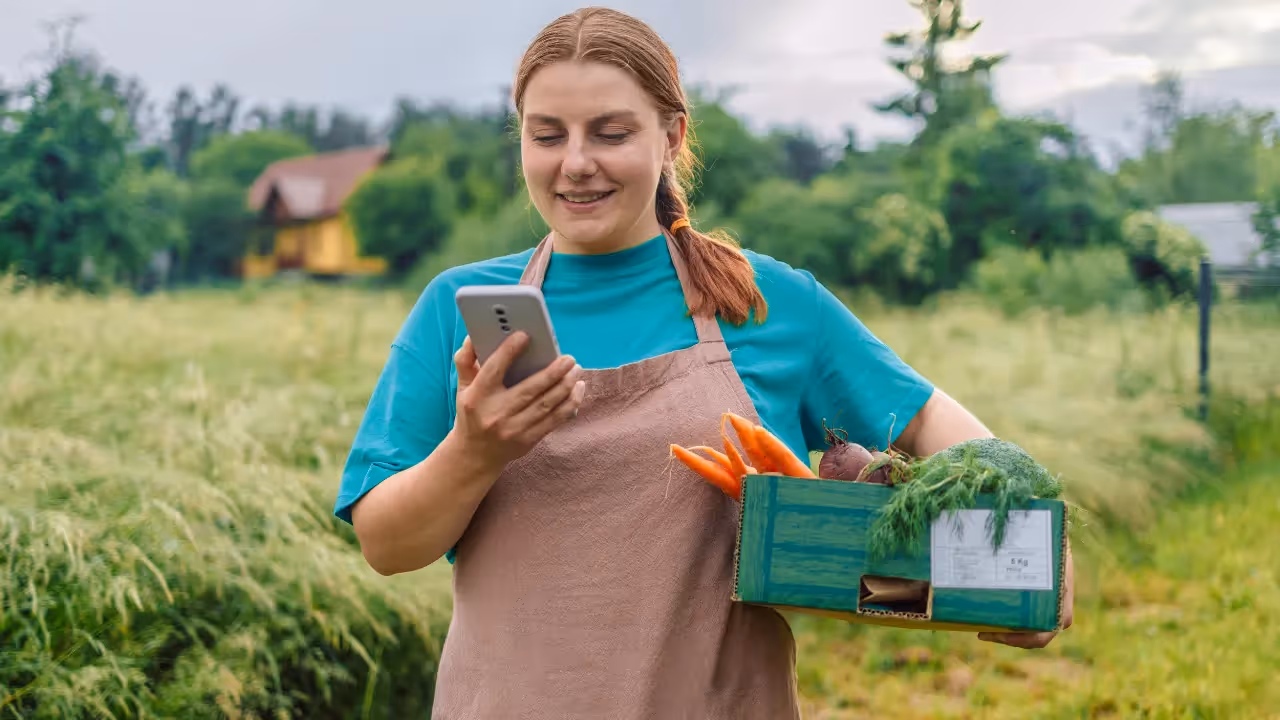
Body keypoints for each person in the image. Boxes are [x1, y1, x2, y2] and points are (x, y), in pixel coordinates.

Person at [334, 6, 1073, 718]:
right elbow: (387, 546)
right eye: (547, 135)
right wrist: (476, 449)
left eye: (611, 133)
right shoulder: (460, 307)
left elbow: (957, 443)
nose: (577, 163)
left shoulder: (769, 302)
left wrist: (1038, 564)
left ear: (671, 136)